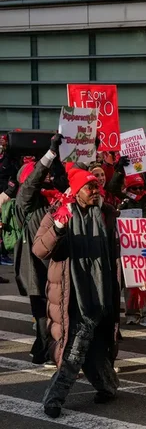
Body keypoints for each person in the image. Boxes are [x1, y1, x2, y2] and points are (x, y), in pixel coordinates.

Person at [33, 166, 122, 418]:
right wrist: (59, 228)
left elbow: (122, 251)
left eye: (96, 186)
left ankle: (108, 387)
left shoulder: (106, 214)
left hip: (103, 294)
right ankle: (54, 400)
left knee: (94, 348)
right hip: (74, 298)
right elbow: (39, 249)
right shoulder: (57, 213)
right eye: (89, 187)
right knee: (75, 350)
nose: (94, 191)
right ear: (76, 191)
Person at [16, 137, 69, 365]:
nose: (47, 177)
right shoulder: (26, 199)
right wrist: (48, 155)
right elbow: (33, 182)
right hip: (35, 264)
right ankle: (44, 348)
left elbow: (68, 181)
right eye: (42, 174)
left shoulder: (55, 197)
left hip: (56, 262)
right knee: (41, 311)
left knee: (57, 310)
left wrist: (69, 154)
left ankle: (46, 348)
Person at [109, 169, 146, 327]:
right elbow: (112, 187)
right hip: (128, 245)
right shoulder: (123, 200)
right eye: (134, 188)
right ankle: (132, 313)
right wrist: (119, 171)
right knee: (130, 281)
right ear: (128, 189)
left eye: (140, 188)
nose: (138, 191)